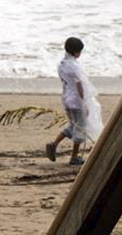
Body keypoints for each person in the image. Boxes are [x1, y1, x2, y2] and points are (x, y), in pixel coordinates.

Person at [45, 37, 102, 166]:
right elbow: (79, 86)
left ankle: (54, 144)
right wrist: (85, 103)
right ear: (76, 52)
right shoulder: (74, 66)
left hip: (66, 98)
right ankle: (74, 156)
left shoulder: (62, 64)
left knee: (73, 125)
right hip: (76, 101)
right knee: (81, 128)